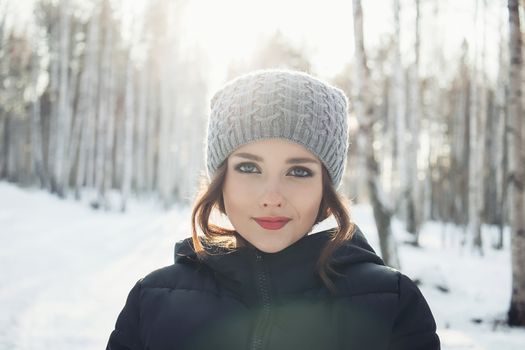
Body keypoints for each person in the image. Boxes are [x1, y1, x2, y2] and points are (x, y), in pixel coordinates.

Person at [106, 70, 440, 350]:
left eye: (298, 171)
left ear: (325, 189)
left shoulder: (391, 303)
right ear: (220, 180)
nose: (272, 197)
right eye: (249, 168)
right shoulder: (153, 300)